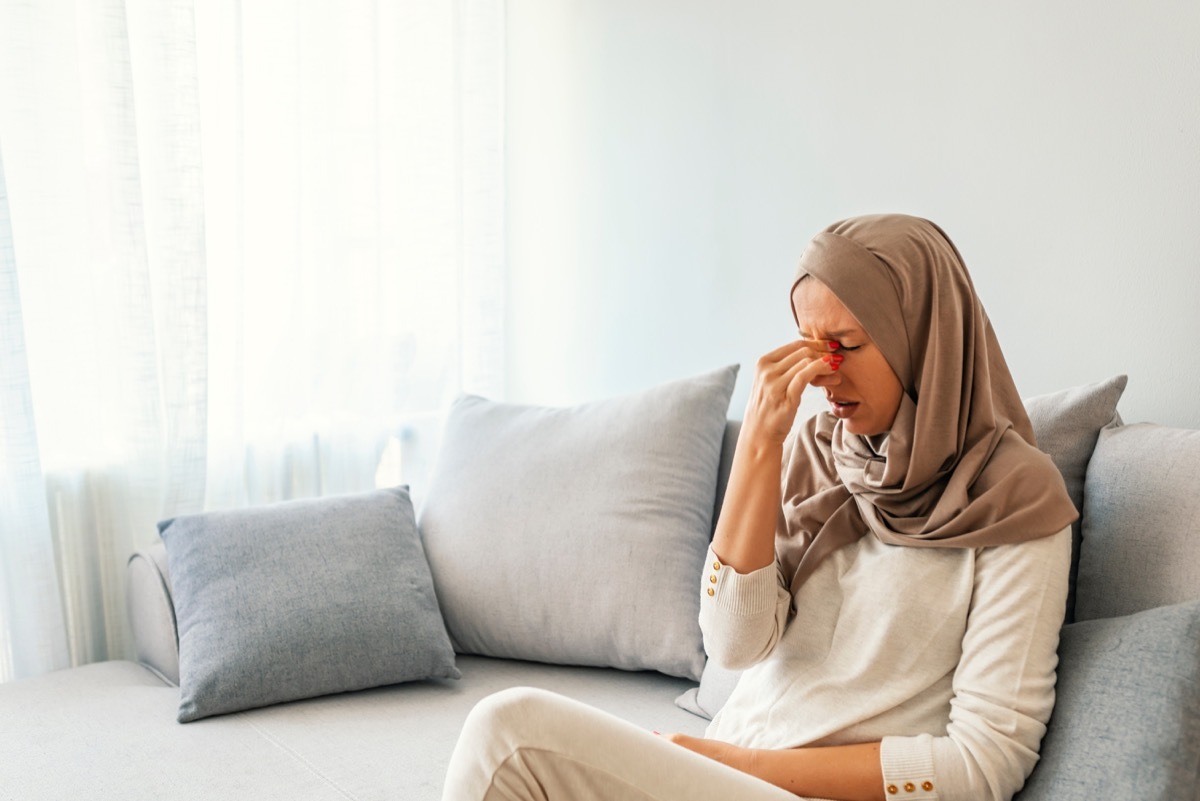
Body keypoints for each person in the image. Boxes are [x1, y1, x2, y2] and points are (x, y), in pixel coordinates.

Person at [440, 214, 1078, 801]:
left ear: (924, 341)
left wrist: (736, 765)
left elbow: (987, 760)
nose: (821, 373)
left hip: (771, 782)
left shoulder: (1013, 499)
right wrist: (758, 447)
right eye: (808, 344)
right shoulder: (821, 452)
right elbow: (734, 645)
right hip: (725, 768)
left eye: (847, 345)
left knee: (512, 731)